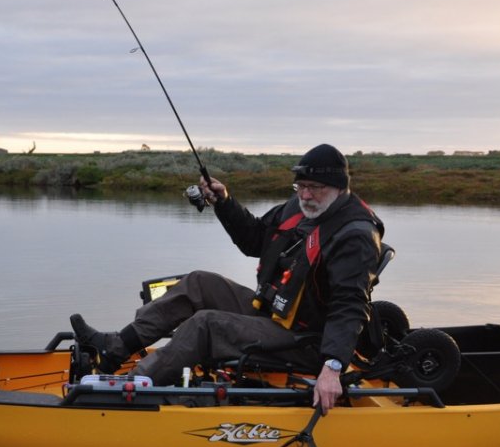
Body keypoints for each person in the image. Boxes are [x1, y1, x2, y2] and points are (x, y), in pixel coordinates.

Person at [70, 143, 384, 412]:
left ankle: (127, 390)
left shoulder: (355, 235)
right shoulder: (301, 208)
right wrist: (224, 202)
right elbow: (255, 240)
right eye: (300, 186)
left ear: (339, 187)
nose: (305, 195)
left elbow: (350, 305)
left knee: (207, 325)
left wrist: (332, 367)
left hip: (308, 341)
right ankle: (113, 348)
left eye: (314, 188)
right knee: (199, 283)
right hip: (275, 314)